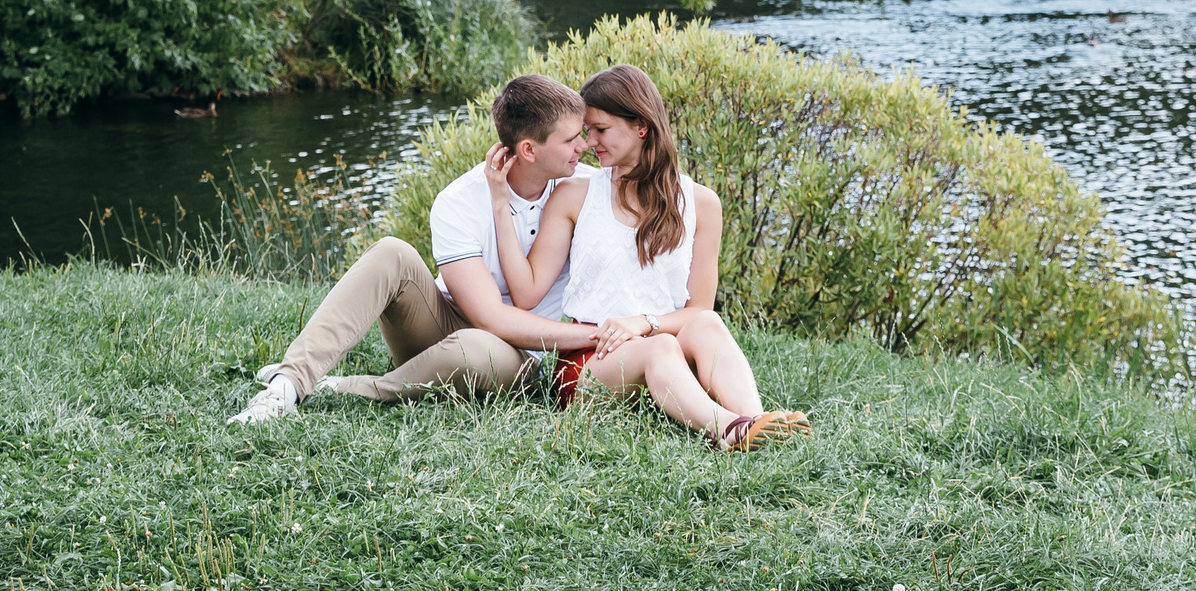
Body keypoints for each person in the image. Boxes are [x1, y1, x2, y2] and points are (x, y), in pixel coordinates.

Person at [228, 73, 597, 424]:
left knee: (473, 348)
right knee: (392, 251)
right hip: (441, 328)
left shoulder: (587, 190)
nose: (584, 146)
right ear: (529, 149)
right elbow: (489, 317)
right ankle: (286, 387)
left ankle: (346, 387)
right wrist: (588, 335)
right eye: (570, 140)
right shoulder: (460, 200)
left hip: (514, 357)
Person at [505, 65, 808, 451]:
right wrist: (501, 206)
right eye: (587, 130)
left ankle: (755, 422)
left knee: (707, 323)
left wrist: (644, 323)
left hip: (665, 348)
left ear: (641, 127)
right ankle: (728, 430)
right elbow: (527, 292)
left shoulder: (701, 203)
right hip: (590, 361)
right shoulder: (575, 194)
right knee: (661, 346)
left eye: (601, 129)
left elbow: (698, 307)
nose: (589, 142)